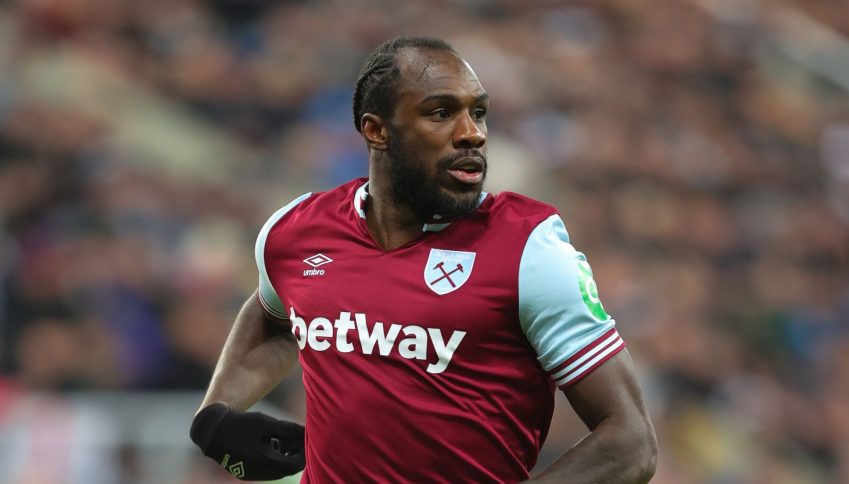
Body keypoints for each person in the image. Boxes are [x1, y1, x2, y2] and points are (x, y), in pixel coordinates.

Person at [190, 36, 658, 483]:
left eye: (478, 113)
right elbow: (275, 314)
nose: (471, 134)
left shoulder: (529, 249)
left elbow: (630, 441)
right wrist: (215, 416)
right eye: (441, 113)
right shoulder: (295, 232)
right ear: (376, 130)